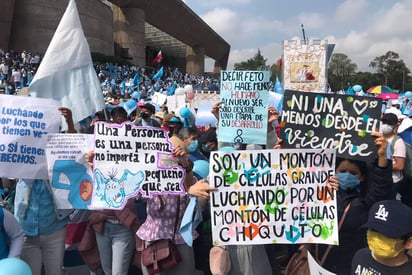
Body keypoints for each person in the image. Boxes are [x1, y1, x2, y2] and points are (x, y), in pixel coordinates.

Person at [318, 132, 395, 274]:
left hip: (350, 263)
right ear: (334, 172)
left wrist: (383, 160)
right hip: (319, 260)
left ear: (363, 177)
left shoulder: (365, 202)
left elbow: (381, 190)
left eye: (353, 173)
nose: (347, 175)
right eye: (342, 171)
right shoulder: (321, 194)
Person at [14, 107, 76, 275]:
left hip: (54, 227)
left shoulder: (58, 152)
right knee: (31, 271)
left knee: (55, 271)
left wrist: (69, 122)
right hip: (26, 228)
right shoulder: (20, 151)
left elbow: (74, 148)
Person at [79, 106, 141, 275]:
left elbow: (138, 188)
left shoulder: (131, 165)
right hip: (101, 225)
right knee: (106, 270)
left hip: (122, 226)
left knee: (118, 272)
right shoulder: (96, 164)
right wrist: (92, 167)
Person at [351, 200, 412, 274]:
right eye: (373, 230)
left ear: (409, 242)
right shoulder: (361, 256)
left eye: (387, 235)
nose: (377, 238)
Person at [381, 113, 406, 195]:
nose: (385, 125)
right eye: (383, 122)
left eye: (389, 123)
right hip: (378, 178)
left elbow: (400, 165)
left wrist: (381, 166)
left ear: (395, 125)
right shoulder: (378, 137)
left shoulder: (398, 142)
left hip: (392, 180)